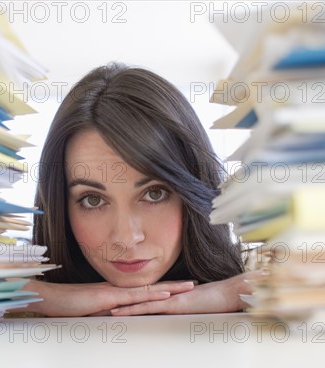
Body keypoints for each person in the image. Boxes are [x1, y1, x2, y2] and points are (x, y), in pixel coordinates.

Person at [18, 62, 259, 317]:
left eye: (154, 194)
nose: (126, 237)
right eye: (92, 200)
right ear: (61, 207)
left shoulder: (253, 272)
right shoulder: (20, 280)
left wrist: (229, 295)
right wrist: (41, 297)